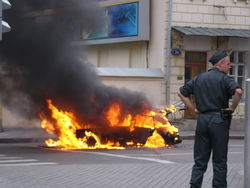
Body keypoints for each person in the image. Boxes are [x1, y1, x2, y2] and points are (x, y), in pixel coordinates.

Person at [178, 50, 243, 188]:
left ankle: (195, 185)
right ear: (220, 64)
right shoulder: (225, 78)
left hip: (202, 120)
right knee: (219, 160)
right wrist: (232, 107)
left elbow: (181, 93)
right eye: (228, 64)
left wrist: (193, 108)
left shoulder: (198, 78)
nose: (230, 66)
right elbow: (238, 91)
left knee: (200, 160)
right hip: (219, 120)